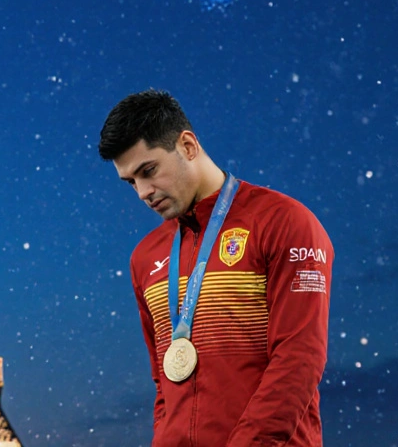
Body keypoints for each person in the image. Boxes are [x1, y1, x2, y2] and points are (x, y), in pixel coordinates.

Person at [97, 90, 334, 446]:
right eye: (131, 182)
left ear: (188, 146)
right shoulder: (144, 257)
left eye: (148, 171)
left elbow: (299, 358)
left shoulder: (285, 222)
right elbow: (163, 382)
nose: (143, 192)